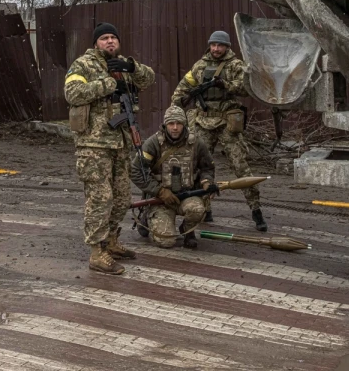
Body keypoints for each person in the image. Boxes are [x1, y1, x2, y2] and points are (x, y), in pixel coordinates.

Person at [65, 22, 155, 275]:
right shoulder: (83, 65)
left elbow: (149, 78)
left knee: (122, 197)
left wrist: (131, 67)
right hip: (94, 145)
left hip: (121, 143)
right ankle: (96, 252)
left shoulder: (123, 65)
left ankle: (112, 242)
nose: (110, 42)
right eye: (104, 38)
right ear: (96, 43)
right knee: (100, 199)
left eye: (113, 38)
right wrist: (108, 84)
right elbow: (73, 93)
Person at [171, 30, 267, 232]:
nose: (216, 49)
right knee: (199, 165)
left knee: (240, 166)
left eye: (220, 45)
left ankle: (256, 210)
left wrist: (226, 85)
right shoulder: (200, 66)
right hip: (203, 121)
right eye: (213, 45)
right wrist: (177, 103)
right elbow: (183, 87)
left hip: (226, 123)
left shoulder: (235, 65)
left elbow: (247, 88)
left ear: (227, 46)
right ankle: (204, 208)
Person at [130, 105, 215, 249]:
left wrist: (206, 181)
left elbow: (207, 167)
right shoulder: (153, 143)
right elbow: (136, 170)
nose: (175, 127)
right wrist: (159, 191)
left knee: (197, 209)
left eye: (179, 123)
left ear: (184, 124)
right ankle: (147, 216)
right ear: (165, 125)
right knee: (166, 241)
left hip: (188, 195)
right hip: (160, 200)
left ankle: (188, 231)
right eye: (171, 123)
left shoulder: (196, 144)